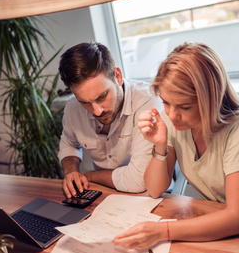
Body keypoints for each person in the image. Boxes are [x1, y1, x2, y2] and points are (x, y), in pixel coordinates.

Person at [113, 42, 239, 250]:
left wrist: (162, 231)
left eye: (184, 106)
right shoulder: (173, 120)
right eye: (166, 102)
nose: (171, 115)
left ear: (210, 99)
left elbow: (238, 219)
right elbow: (154, 189)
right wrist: (159, 145)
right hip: (236, 227)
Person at [58, 42, 162, 198]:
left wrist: (92, 176)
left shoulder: (148, 102)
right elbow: (69, 143)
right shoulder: (73, 107)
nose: (97, 111)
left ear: (117, 76)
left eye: (102, 97)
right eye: (85, 102)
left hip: (148, 196)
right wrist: (71, 171)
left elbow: (138, 180)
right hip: (102, 192)